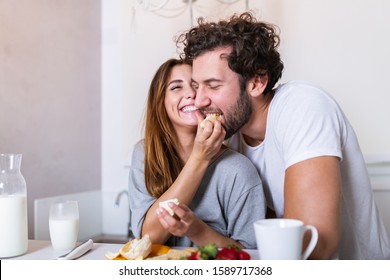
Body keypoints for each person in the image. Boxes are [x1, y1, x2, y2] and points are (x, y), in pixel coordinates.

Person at [176, 12, 390, 259]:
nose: (200, 100)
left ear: (257, 82)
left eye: (213, 86)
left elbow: (317, 244)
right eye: (196, 85)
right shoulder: (229, 136)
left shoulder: (303, 106)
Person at [128, 58, 266, 249]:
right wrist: (199, 158)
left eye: (196, 86)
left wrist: (197, 231)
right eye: (176, 87)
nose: (192, 94)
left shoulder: (238, 170)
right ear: (160, 102)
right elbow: (149, 237)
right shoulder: (145, 154)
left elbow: (250, 255)